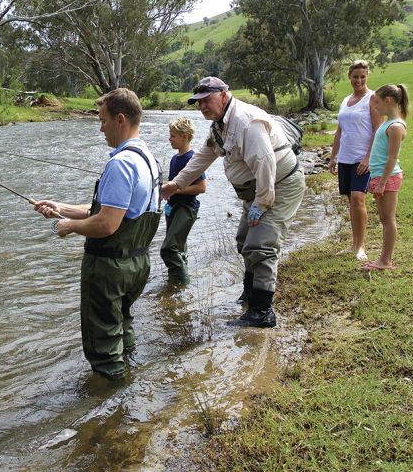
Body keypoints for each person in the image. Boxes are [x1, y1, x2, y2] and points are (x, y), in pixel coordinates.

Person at [34, 88, 161, 378]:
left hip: (109, 269)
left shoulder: (121, 164)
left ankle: (112, 408)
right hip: (136, 265)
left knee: (102, 343)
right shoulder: (149, 160)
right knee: (121, 326)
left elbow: (107, 225)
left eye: (102, 120)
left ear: (120, 119)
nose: (100, 127)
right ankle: (131, 381)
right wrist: (60, 207)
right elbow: (113, 212)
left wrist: (67, 227)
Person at [161, 76, 305, 328]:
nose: (203, 106)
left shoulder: (245, 122)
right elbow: (204, 156)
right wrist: (177, 184)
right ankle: (250, 296)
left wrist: (262, 203)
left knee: (261, 245)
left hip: (278, 186)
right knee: (243, 241)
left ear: (224, 95)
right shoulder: (220, 124)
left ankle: (262, 312)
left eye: (208, 100)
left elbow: (265, 162)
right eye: (199, 102)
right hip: (258, 191)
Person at [328, 60, 382, 261]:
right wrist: (333, 156)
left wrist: (368, 157)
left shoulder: (372, 98)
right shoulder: (345, 100)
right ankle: (354, 244)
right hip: (345, 158)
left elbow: (378, 130)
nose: (359, 80)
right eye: (355, 76)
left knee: (359, 199)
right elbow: (339, 132)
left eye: (363, 76)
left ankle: (361, 247)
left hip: (363, 159)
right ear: (349, 77)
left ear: (367, 77)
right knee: (351, 202)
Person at [363, 83, 410, 271]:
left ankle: (385, 260)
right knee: (384, 219)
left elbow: (392, 158)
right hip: (380, 177)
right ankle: (383, 258)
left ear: (388, 101)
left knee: (388, 219)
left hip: (388, 178)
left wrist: (382, 182)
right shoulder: (387, 124)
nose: (375, 107)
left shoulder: (396, 127)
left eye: (377, 103)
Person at [160, 117, 207, 286]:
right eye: (170, 135)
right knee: (178, 247)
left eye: (173, 136)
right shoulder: (174, 159)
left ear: (185, 137)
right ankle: (175, 284)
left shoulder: (192, 159)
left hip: (186, 208)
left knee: (169, 249)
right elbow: (173, 183)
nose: (170, 139)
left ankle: (182, 283)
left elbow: (202, 187)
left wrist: (176, 189)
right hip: (172, 207)